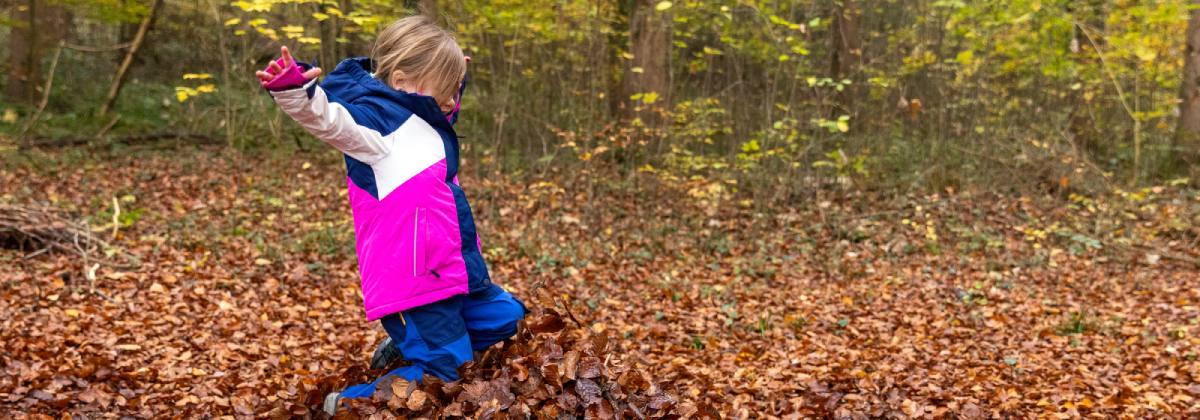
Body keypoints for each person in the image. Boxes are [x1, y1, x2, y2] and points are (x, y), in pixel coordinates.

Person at [254, 15, 525, 414]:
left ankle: (412, 343)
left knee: (509, 319)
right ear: (402, 83)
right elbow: (329, 121)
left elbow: (438, 111)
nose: (452, 100)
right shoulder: (375, 131)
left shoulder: (429, 124)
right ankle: (347, 403)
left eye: (455, 89)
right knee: (448, 373)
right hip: (414, 280)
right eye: (446, 89)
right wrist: (295, 93)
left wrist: (454, 78)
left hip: (455, 268)